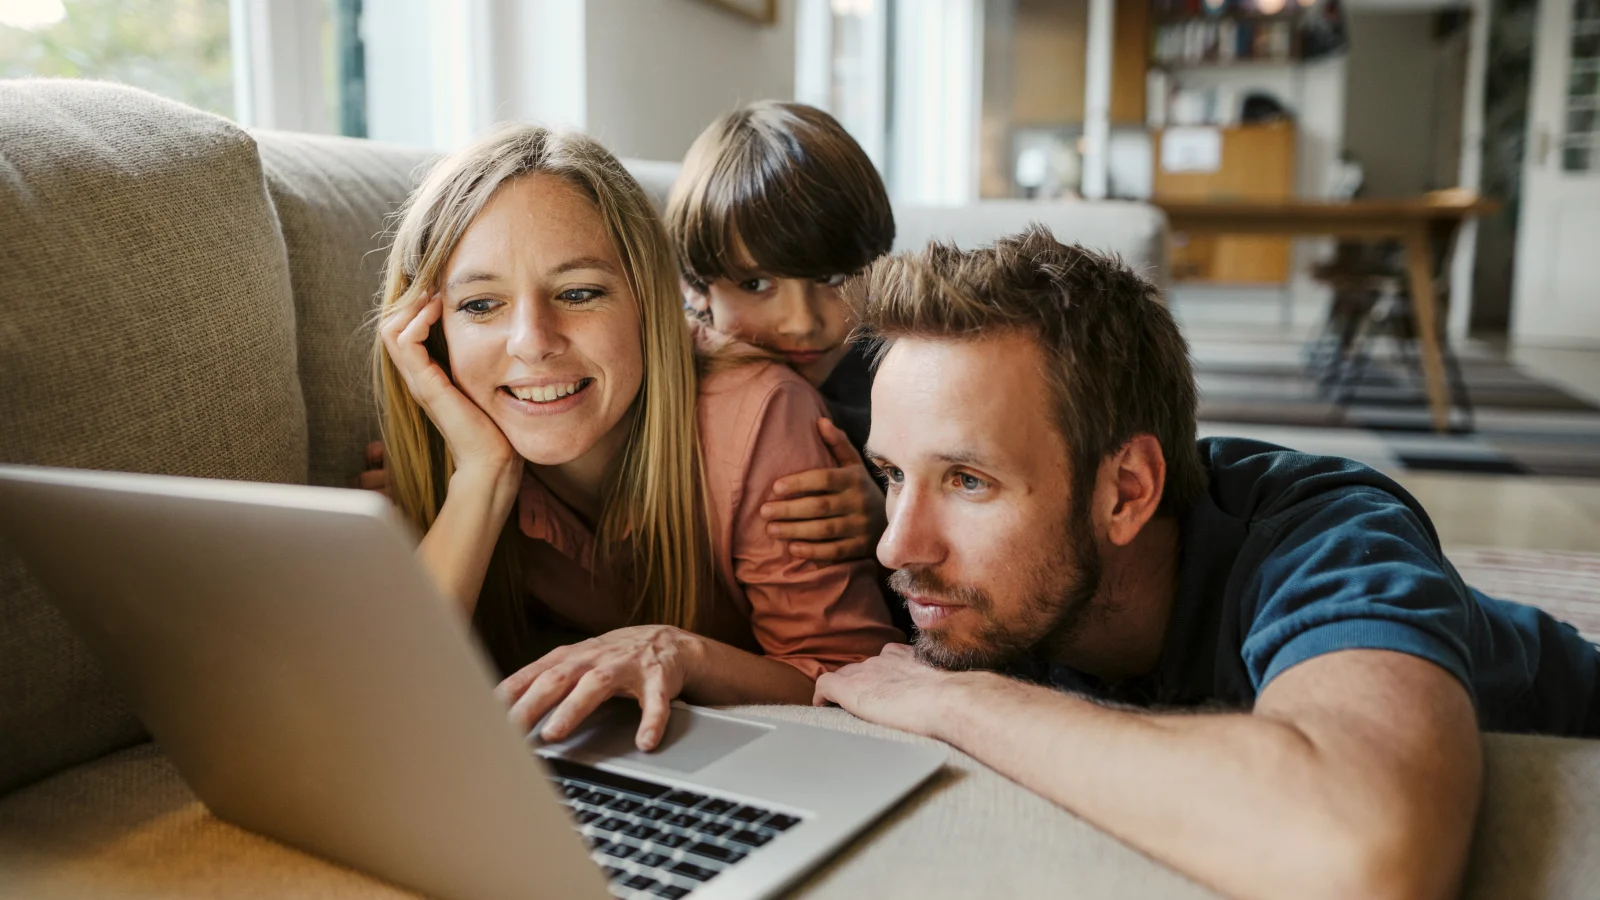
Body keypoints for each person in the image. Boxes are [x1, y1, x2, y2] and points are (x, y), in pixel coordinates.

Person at [813, 226, 1600, 900]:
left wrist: (956, 704)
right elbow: (858, 674)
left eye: (968, 481)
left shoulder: (1324, 534)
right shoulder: (990, 585)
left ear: (1126, 493)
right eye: (892, 475)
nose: (897, 546)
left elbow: (1364, 852)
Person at [374, 124, 902, 752]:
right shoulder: (449, 428)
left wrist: (681, 653)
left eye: (578, 293)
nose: (532, 342)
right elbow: (379, 711)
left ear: (652, 301)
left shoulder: (766, 413)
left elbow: (854, 685)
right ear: (431, 331)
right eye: (481, 305)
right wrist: (481, 479)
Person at [667, 101, 894, 566]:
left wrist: (889, 522)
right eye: (755, 284)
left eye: (832, 278)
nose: (801, 321)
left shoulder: (902, 380)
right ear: (696, 287)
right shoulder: (669, 389)